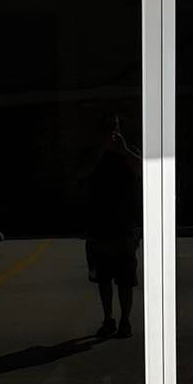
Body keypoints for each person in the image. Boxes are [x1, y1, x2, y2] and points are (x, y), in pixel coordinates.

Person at [83, 110, 142, 339]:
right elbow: (82, 173)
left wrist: (123, 150)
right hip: (99, 224)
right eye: (108, 127)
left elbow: (140, 171)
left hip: (125, 225)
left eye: (115, 126)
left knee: (125, 279)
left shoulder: (128, 150)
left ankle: (125, 321)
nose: (112, 131)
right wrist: (101, 151)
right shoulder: (93, 153)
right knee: (103, 278)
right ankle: (108, 319)